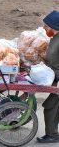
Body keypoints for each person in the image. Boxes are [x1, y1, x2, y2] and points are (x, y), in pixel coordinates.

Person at [37, 10, 59, 143]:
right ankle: (52, 134)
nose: (44, 28)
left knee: (51, 107)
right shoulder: (54, 39)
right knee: (52, 107)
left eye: (46, 26)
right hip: (55, 78)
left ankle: (52, 135)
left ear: (54, 27)